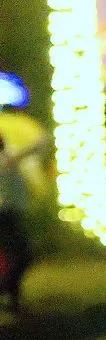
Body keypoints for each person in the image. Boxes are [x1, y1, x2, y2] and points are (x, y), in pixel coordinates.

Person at [0, 134, 33, 315]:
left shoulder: (6, 159)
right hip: (7, 215)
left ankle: (13, 300)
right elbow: (24, 153)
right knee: (22, 255)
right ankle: (8, 292)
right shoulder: (5, 160)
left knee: (14, 257)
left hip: (9, 214)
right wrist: (40, 141)